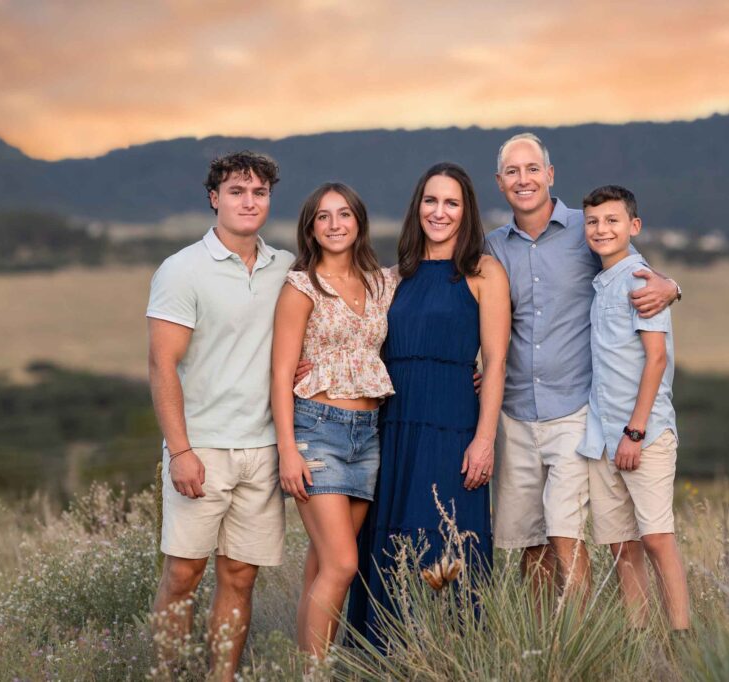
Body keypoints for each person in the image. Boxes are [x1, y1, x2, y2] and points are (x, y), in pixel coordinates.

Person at [485, 133, 681, 599]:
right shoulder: (494, 246)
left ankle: (580, 641)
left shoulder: (586, 228)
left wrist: (672, 285)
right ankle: (544, 648)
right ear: (499, 183)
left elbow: (636, 272)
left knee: (566, 537)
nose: (523, 179)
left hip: (574, 409)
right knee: (531, 544)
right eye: (512, 171)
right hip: (514, 411)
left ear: (550, 175)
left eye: (532, 168)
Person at [347, 162, 511, 649]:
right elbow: (356, 345)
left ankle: (452, 656)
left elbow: (497, 362)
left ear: (467, 212)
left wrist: (484, 440)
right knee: (387, 540)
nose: (440, 212)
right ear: (417, 206)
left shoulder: (483, 272)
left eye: (452, 203)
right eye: (431, 201)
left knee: (446, 535)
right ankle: (382, 658)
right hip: (392, 428)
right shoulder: (391, 277)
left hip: (453, 427)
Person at [147, 151, 293, 678]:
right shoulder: (182, 269)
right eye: (236, 191)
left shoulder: (286, 267)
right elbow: (162, 365)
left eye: (258, 192)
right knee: (183, 574)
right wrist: (180, 452)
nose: (248, 201)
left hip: (264, 450)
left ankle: (221, 677)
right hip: (201, 448)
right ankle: (168, 675)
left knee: (239, 576)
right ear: (215, 198)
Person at [270, 182, 398, 659]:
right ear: (311, 228)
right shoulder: (301, 286)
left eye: (344, 215)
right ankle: (316, 673)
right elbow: (281, 372)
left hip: (368, 435)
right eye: (323, 217)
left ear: (359, 222)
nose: (334, 224)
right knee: (343, 563)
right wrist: (287, 449)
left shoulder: (380, 282)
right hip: (316, 430)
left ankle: (304, 664)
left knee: (324, 563)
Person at [576, 184, 690, 630]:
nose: (601, 229)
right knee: (621, 547)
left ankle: (681, 636)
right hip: (603, 439)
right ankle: (638, 640)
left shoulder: (642, 281)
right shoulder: (603, 282)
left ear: (633, 226)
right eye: (593, 221)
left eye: (612, 220)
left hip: (642, 435)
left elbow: (656, 358)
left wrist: (635, 432)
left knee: (658, 538)